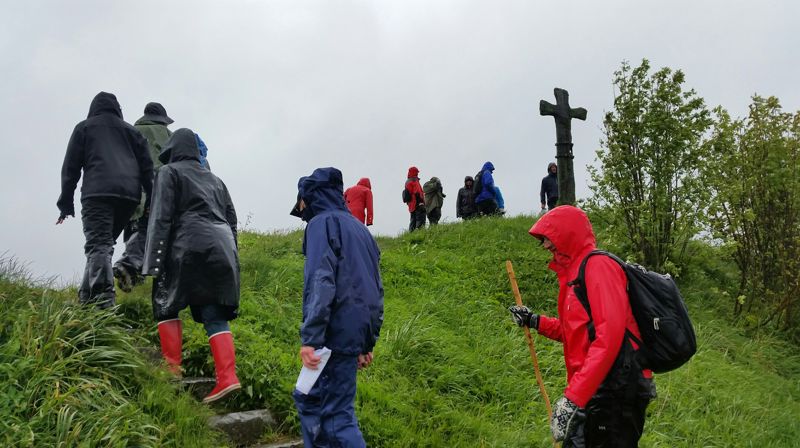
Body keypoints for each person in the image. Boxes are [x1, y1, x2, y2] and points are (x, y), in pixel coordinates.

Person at [508, 206, 655, 447]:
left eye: (547, 239)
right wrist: (534, 320)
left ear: (566, 234)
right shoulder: (574, 274)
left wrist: (572, 399)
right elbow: (576, 333)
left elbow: (610, 337)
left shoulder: (598, 267)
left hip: (616, 389)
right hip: (595, 388)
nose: (545, 246)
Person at [142, 128, 241, 404]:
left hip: (184, 246)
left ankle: (172, 370)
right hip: (220, 247)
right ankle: (227, 377)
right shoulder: (216, 180)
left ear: (172, 149)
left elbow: (160, 216)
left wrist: (153, 262)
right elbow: (231, 219)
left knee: (166, 302)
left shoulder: (168, 172)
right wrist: (232, 256)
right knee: (213, 312)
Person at [290, 167, 384, 447]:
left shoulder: (320, 224)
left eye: (302, 200)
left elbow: (321, 281)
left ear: (310, 195)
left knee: (334, 416)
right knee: (313, 400)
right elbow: (375, 290)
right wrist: (366, 343)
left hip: (331, 336)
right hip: (351, 334)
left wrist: (312, 338)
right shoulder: (360, 230)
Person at [56, 91, 153, 309]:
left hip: (98, 194)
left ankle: (103, 304)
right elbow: (148, 170)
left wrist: (65, 203)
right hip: (129, 197)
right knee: (101, 246)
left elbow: (70, 168)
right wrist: (151, 202)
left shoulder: (85, 127)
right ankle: (85, 299)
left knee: (98, 245)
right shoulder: (131, 132)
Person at [113, 102, 174, 292]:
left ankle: (134, 282)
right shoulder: (167, 135)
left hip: (127, 190)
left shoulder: (129, 131)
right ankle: (129, 264)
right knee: (149, 229)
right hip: (156, 187)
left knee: (133, 228)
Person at [404, 166, 426, 231]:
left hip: (411, 205)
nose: (417, 174)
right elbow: (417, 192)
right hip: (417, 203)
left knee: (413, 220)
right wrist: (421, 202)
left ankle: (411, 233)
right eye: (416, 172)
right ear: (414, 172)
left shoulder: (407, 181)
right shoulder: (414, 181)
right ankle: (420, 233)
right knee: (421, 219)